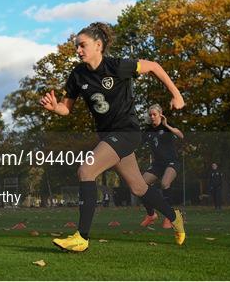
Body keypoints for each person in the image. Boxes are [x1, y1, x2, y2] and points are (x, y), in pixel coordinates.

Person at [40, 22, 186, 252]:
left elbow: (155, 66)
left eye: (82, 45)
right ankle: (174, 216)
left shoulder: (117, 66)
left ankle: (82, 238)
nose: (78, 50)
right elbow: (66, 108)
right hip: (108, 137)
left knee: (85, 170)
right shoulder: (77, 75)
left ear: (98, 45)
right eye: (76, 46)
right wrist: (55, 108)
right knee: (138, 188)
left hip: (127, 133)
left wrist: (176, 95)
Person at [139, 104, 184, 229]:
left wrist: (167, 125)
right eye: (150, 115)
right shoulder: (148, 130)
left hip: (171, 162)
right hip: (157, 164)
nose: (152, 117)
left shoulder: (166, 127)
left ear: (160, 114)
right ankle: (151, 215)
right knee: (140, 184)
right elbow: (137, 143)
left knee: (165, 183)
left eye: (155, 114)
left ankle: (170, 217)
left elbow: (181, 135)